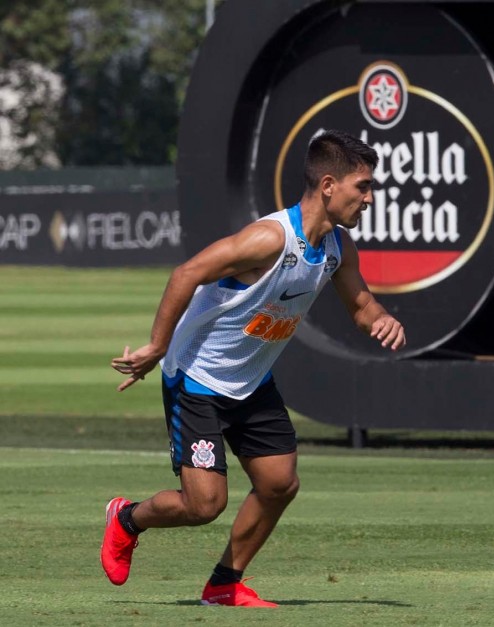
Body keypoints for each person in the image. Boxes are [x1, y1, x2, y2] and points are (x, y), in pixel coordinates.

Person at [102, 129, 406, 606]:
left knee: (279, 483)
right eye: (362, 186)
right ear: (329, 185)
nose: (369, 197)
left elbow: (362, 305)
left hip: (250, 383)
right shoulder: (268, 239)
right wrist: (158, 346)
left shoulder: (338, 249)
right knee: (205, 505)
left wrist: (382, 319)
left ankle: (224, 584)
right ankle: (126, 518)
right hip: (197, 378)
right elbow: (187, 273)